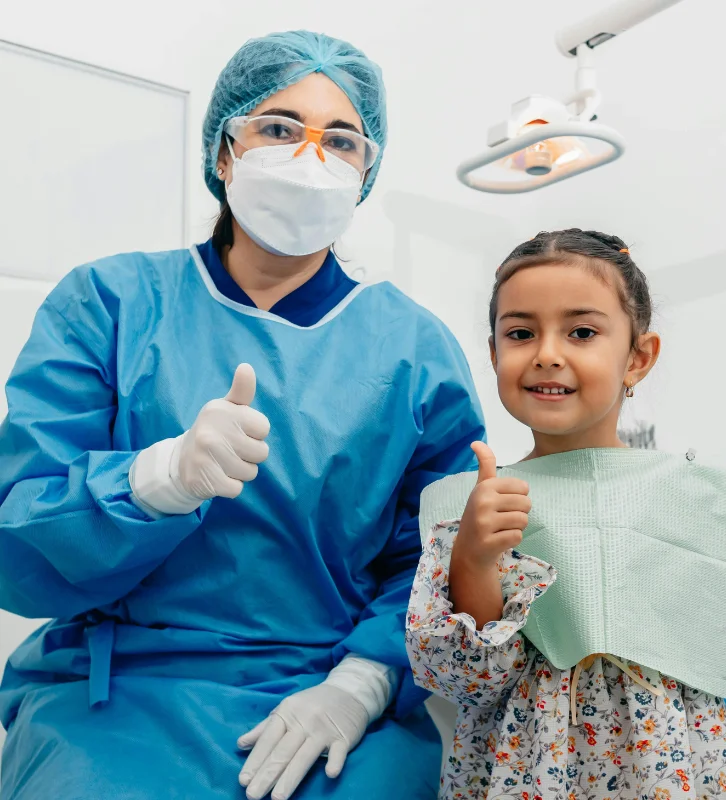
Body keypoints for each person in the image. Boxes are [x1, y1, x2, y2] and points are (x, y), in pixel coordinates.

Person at [0, 31, 485, 800]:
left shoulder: (414, 350)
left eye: (342, 140)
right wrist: (157, 478)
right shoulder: (110, 304)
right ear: (224, 152)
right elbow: (18, 539)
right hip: (123, 687)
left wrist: (361, 684)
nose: (308, 157)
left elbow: (439, 555)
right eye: (279, 129)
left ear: (367, 172)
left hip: (329, 687)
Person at [405, 229, 726, 799]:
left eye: (582, 332)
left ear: (638, 358)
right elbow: (465, 680)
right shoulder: (469, 507)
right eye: (520, 333)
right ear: (493, 354)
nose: (546, 352)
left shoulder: (701, 499)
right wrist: (474, 557)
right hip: (523, 778)